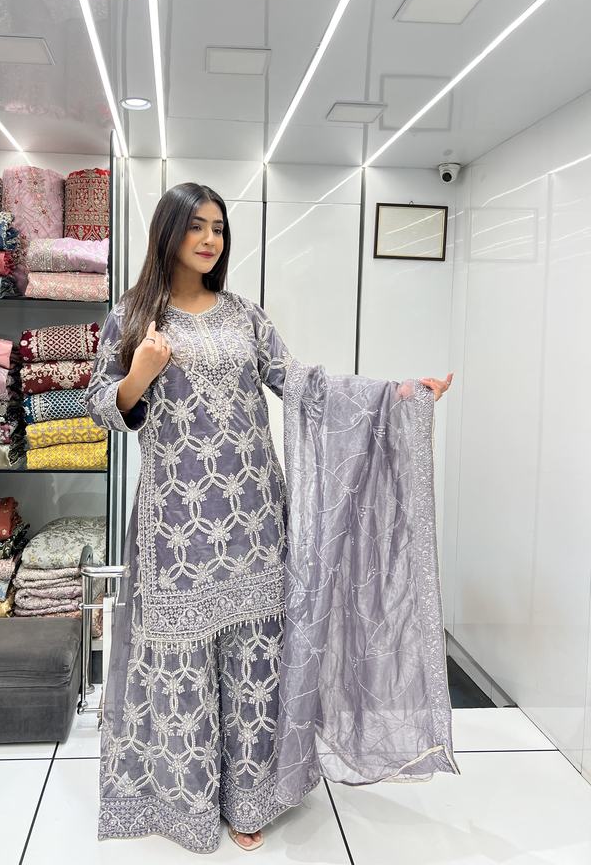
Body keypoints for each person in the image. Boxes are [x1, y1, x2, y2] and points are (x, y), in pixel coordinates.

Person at [86, 182, 453, 854]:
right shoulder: (132, 317)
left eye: (218, 228)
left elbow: (301, 383)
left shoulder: (245, 316)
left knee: (255, 661)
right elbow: (102, 405)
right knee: (181, 665)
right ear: (167, 231)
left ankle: (249, 799)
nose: (210, 239)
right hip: (176, 526)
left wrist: (395, 393)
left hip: (254, 520)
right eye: (196, 226)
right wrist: (140, 372)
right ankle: (187, 802)